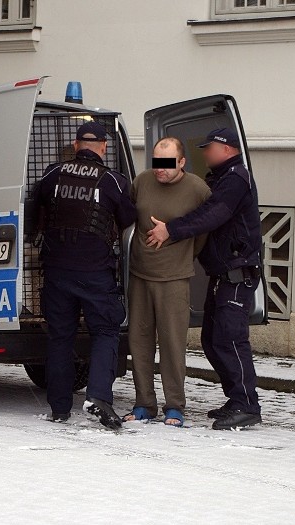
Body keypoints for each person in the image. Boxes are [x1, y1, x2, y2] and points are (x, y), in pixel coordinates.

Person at [146, 127, 263, 430]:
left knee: (230, 340)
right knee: (212, 341)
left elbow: (211, 216)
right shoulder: (221, 179)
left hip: (237, 275)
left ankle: (247, 404)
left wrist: (170, 230)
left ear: (227, 149)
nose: (205, 152)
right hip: (222, 274)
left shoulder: (236, 179)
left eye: (209, 147)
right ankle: (236, 399)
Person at [30, 121, 136, 430]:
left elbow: (35, 208)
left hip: (57, 271)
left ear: (76, 145)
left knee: (60, 337)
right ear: (104, 147)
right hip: (95, 274)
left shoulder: (52, 174)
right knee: (104, 332)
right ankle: (98, 398)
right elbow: (129, 218)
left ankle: (60, 408)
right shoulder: (114, 182)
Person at [124, 137, 210, 427]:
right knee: (139, 341)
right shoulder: (143, 181)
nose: (160, 170)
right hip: (140, 274)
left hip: (174, 278)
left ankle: (175, 405)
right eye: (156, 163)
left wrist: (179, 246)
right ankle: (144, 402)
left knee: (173, 344)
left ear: (182, 163)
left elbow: (204, 228)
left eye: (167, 164)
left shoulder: (197, 189)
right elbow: (128, 214)